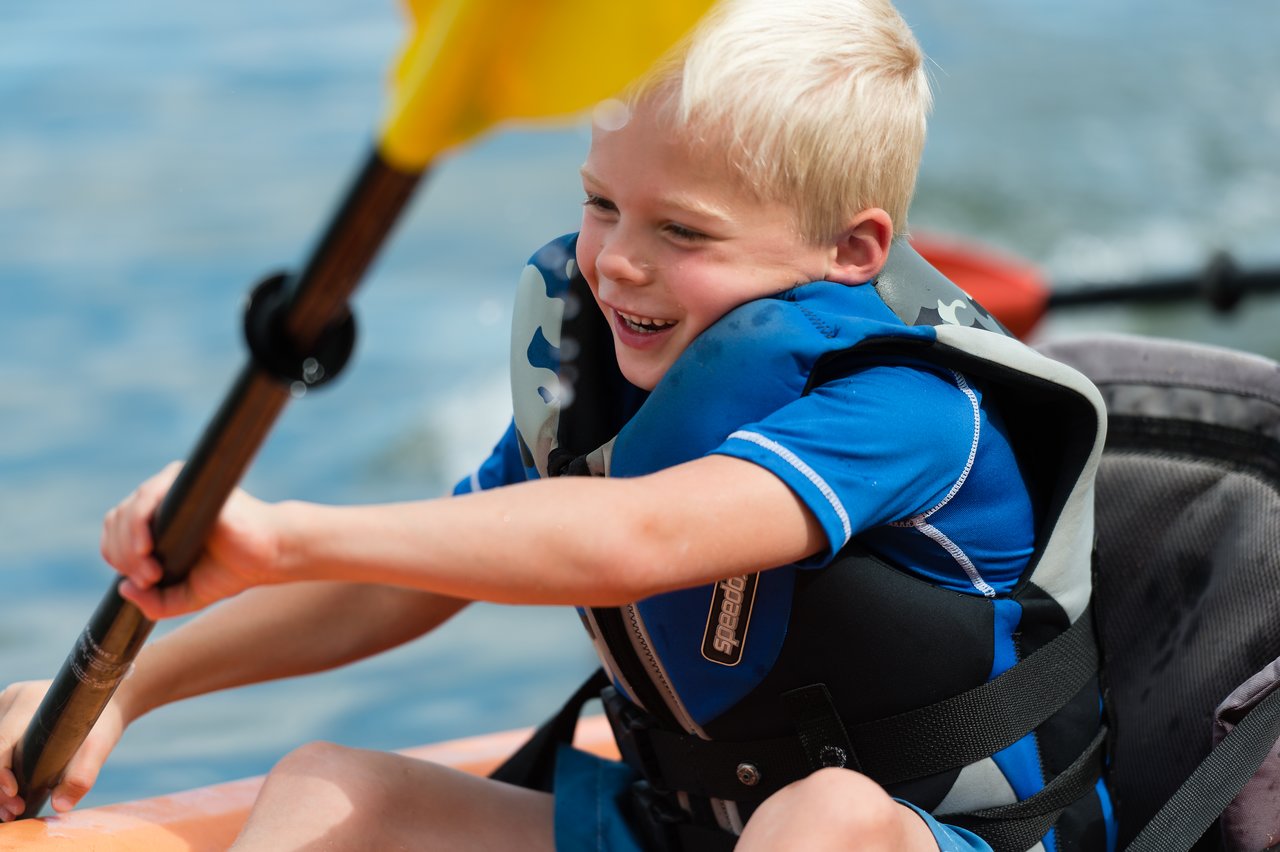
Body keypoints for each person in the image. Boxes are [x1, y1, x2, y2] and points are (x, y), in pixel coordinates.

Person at [0, 0, 1113, 848]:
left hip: (921, 836)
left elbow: (637, 541)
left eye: (682, 230)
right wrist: (128, 691)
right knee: (332, 788)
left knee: (822, 819)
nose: (618, 260)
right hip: (681, 821)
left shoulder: (904, 408)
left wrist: (284, 534)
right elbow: (407, 582)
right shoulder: (617, 393)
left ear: (852, 250)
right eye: (599, 203)